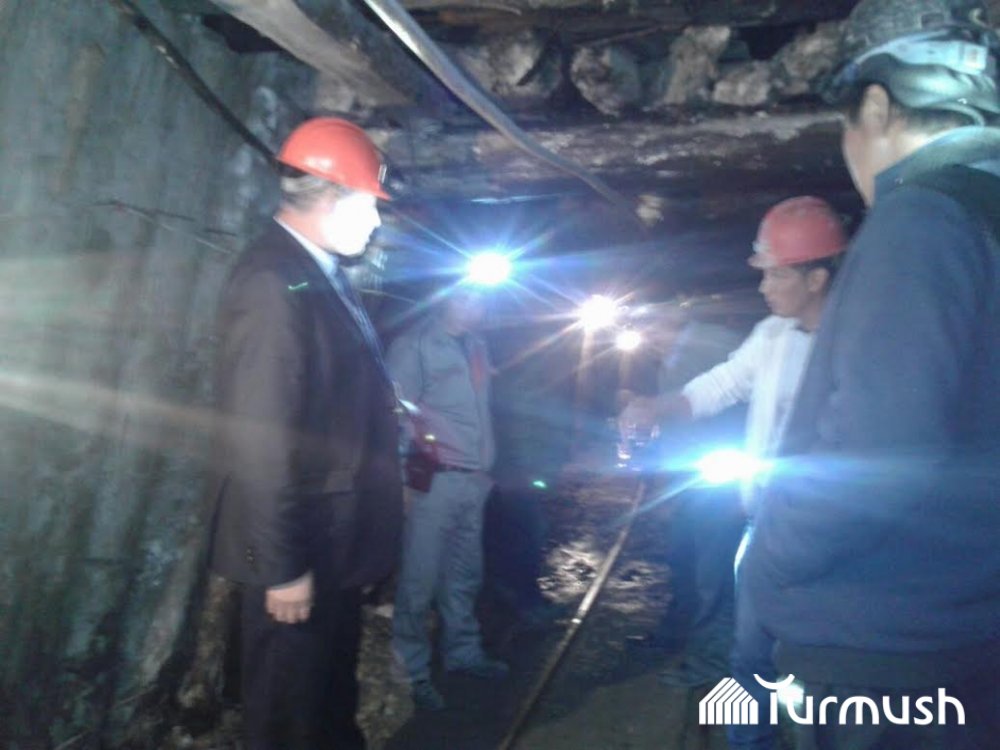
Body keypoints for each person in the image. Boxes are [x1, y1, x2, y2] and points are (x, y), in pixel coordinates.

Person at [740, 2, 1000, 748]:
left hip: (880, 645)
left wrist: (772, 557)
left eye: (846, 126)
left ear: (878, 107)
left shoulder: (921, 217)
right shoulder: (985, 217)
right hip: (966, 625)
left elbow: (883, 443)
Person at [207, 117, 403, 749]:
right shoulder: (273, 283)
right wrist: (283, 569)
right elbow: (262, 437)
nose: (375, 222)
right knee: (290, 713)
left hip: (332, 541)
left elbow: (324, 394)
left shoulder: (316, 273)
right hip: (303, 546)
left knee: (327, 698)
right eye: (369, 205)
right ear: (330, 196)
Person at [623, 198, 846, 747]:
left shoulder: (859, 343)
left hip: (830, 535)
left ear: (816, 279)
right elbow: (722, 384)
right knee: (750, 653)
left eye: (776, 274)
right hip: (765, 522)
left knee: (821, 658)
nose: (764, 286)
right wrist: (657, 407)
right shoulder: (772, 335)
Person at [388, 287, 509, 711]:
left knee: (464, 574)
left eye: (481, 299)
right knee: (418, 581)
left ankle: (463, 653)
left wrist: (485, 468)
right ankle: (411, 672)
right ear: (446, 299)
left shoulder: (477, 346)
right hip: (433, 481)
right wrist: (404, 479)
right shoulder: (415, 346)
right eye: (466, 298)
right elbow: (396, 414)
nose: (476, 307)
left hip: (473, 479)